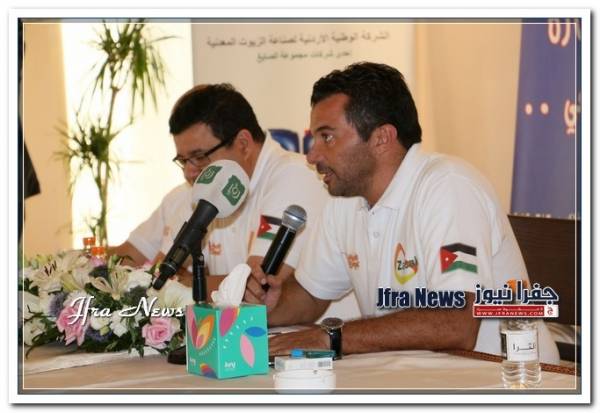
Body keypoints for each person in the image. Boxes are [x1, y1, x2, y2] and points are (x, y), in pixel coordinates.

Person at [244, 62, 560, 364]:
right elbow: (311, 295)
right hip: (417, 373)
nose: (312, 155)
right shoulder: (344, 200)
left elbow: (457, 323)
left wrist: (332, 337)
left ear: (381, 138)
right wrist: (274, 304)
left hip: (505, 376)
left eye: (327, 137)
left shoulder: (447, 186)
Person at [112, 83, 328, 287]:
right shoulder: (206, 188)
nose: (189, 172)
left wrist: (187, 282)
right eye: (184, 161)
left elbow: (257, 285)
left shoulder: (295, 174)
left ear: (243, 144)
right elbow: (162, 271)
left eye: (199, 157)